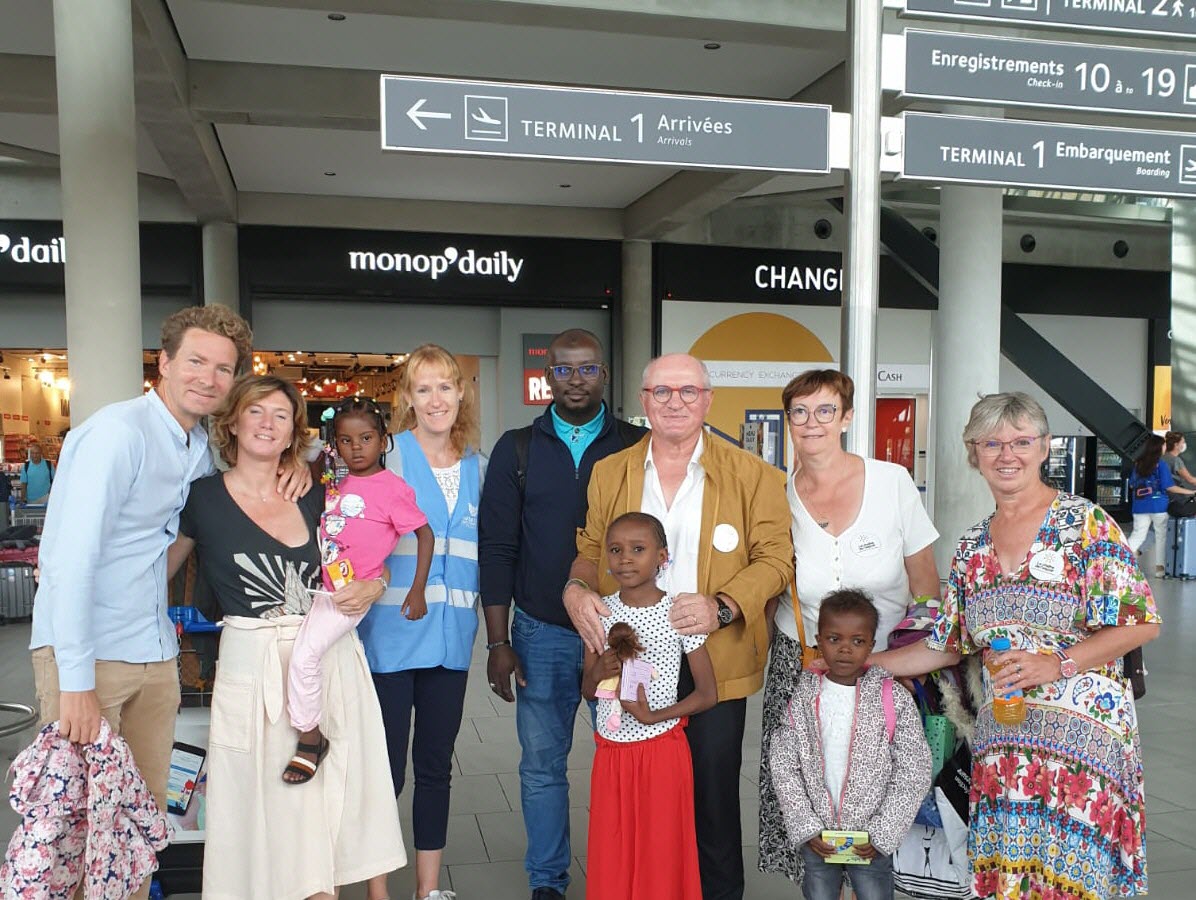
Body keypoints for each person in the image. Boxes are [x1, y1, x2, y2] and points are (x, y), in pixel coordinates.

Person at [872, 392, 1160, 900]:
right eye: (992, 443)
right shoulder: (972, 545)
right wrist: (863, 664)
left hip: (1082, 745)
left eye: (1022, 442)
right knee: (1010, 872)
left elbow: (1140, 624)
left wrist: (1056, 663)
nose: (1008, 455)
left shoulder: (1086, 526)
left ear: (1045, 448)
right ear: (974, 453)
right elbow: (948, 646)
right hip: (1005, 743)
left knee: (1074, 873)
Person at [27, 305, 270, 900]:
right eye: (195, 361)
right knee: (75, 839)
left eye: (223, 369)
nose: (208, 378)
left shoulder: (191, 445)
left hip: (154, 654)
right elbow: (69, 561)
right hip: (90, 660)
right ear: (162, 361)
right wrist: (75, 684)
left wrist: (291, 473)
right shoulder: (118, 434)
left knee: (136, 836)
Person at [564, 352, 793, 900]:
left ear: (708, 400)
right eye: (662, 392)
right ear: (643, 401)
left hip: (715, 656)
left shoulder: (755, 475)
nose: (675, 402)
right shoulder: (609, 471)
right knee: (639, 799)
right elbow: (591, 549)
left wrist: (723, 605)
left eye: (688, 391)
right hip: (634, 660)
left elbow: (777, 559)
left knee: (712, 801)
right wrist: (575, 588)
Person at [170, 375, 404, 900]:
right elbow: (162, 568)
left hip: (326, 658)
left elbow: (367, 554)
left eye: (280, 415)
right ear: (232, 421)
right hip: (253, 666)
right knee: (262, 816)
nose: (267, 424)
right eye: (256, 412)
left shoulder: (316, 493)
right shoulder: (202, 498)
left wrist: (378, 583)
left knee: (329, 806)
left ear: (293, 430)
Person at [479, 328, 645, 900]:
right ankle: (547, 882)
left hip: (625, 635)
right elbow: (497, 547)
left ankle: (620, 877)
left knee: (626, 757)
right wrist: (498, 642)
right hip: (540, 631)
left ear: (605, 374)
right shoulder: (516, 448)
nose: (577, 380)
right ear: (547, 377)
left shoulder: (636, 445)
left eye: (588, 369)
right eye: (565, 370)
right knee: (542, 766)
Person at [758, 369, 939, 883]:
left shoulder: (891, 482)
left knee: (882, 797)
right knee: (809, 797)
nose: (811, 422)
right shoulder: (777, 494)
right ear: (787, 419)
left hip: (891, 671)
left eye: (824, 411)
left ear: (847, 416)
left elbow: (926, 585)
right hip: (806, 666)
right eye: (799, 412)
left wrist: (916, 666)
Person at [359, 344, 485, 900]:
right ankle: (379, 889)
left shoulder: (481, 468)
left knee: (436, 766)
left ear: (462, 393)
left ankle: (427, 889)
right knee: (386, 770)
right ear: (407, 398)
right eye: (423, 388)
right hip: (387, 640)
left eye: (446, 386)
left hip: (451, 642)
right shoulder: (388, 458)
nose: (437, 399)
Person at [283, 397, 434, 784]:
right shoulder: (334, 478)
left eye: (366, 438)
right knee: (311, 660)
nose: (356, 449)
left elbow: (424, 534)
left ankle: (309, 738)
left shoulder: (393, 489)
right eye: (346, 441)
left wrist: (416, 590)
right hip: (320, 585)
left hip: (350, 594)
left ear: (383, 440)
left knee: (304, 656)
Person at [582, 512, 717, 900]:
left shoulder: (678, 612)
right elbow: (587, 690)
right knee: (614, 846)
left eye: (638, 550)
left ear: (662, 556)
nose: (625, 559)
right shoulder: (599, 612)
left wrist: (652, 716)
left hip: (661, 748)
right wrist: (598, 672)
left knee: (660, 849)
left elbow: (707, 694)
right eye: (616, 550)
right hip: (611, 752)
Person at [770, 589, 931, 900]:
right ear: (819, 639)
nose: (845, 649)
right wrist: (806, 826)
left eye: (857, 641)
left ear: (872, 644)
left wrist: (884, 832)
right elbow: (783, 763)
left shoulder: (892, 698)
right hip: (819, 837)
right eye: (834, 639)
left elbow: (914, 769)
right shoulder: (804, 697)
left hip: (870, 840)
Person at [1127, 433, 1195, 577]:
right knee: (1161, 536)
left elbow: (1132, 484)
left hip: (1139, 506)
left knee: (1138, 534)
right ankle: (1160, 570)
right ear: (1159, 447)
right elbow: (1169, 487)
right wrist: (1190, 492)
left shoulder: (1139, 463)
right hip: (1158, 505)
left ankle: (1123, 559)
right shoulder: (1161, 464)